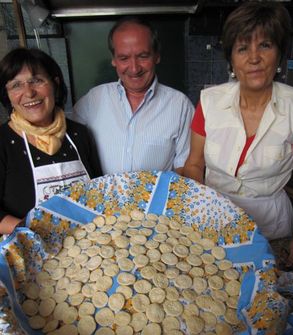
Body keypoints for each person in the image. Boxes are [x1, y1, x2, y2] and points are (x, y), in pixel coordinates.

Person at [183, 1, 293, 266]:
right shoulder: (209, 102)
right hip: (216, 224)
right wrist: (194, 210)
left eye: (265, 45)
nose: (254, 57)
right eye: (243, 48)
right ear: (231, 59)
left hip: (272, 229)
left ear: (279, 54)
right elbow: (194, 164)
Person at [72, 16, 194, 176]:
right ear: (114, 60)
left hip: (158, 200)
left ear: (157, 56)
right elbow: (72, 154)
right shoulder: (92, 101)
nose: (134, 68)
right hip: (103, 200)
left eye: (143, 56)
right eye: (124, 58)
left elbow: (186, 167)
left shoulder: (180, 106)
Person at [0, 47, 102, 235]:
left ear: (55, 83)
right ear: (7, 95)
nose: (29, 93)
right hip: (30, 250)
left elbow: (100, 191)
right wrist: (31, 232)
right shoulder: (3, 142)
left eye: (36, 80)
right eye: (16, 85)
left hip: (89, 245)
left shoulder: (79, 134)